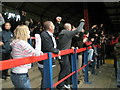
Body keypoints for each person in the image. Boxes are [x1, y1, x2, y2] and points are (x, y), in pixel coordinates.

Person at [10, 25, 42, 89]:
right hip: (20, 74)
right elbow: (36, 53)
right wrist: (38, 40)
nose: (29, 32)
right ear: (24, 32)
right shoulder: (22, 43)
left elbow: (27, 53)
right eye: (28, 31)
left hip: (16, 73)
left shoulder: (15, 42)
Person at [56, 19, 85, 89]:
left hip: (61, 54)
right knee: (65, 70)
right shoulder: (67, 33)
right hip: (64, 55)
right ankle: (60, 85)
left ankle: (66, 83)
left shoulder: (62, 33)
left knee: (66, 69)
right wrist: (82, 22)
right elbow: (78, 30)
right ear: (69, 28)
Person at [38, 21, 60, 89]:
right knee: (46, 79)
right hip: (45, 61)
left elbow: (56, 31)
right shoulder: (44, 35)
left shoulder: (50, 34)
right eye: (53, 25)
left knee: (47, 78)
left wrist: (57, 23)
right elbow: (47, 47)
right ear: (50, 27)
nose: (54, 27)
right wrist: (57, 51)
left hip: (49, 60)